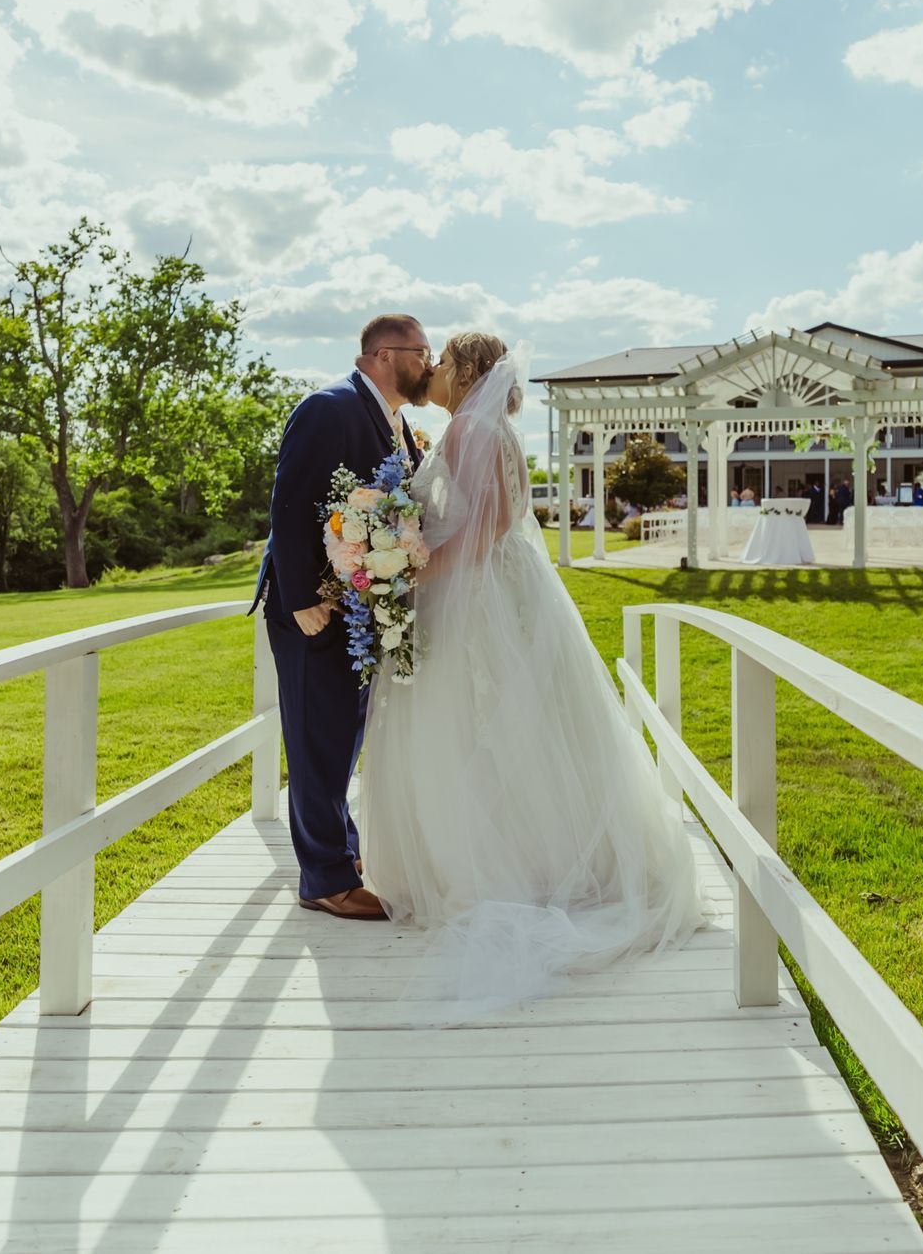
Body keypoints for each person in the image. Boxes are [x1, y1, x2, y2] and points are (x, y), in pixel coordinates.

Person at [360, 332, 705, 1009]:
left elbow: (484, 525)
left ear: (467, 371)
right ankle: (553, 852)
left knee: (468, 723)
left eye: (446, 359)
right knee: (523, 723)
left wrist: (412, 566)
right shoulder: (495, 430)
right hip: (506, 589)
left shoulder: (466, 428)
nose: (435, 368)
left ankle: (495, 864)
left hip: (475, 596)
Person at [252, 314, 428, 921]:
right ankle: (323, 880)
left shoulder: (397, 421)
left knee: (342, 737)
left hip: (356, 608)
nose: (428, 363)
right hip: (313, 608)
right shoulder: (329, 408)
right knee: (315, 737)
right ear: (383, 354)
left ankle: (341, 854)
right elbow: (291, 499)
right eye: (420, 351)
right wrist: (301, 597)